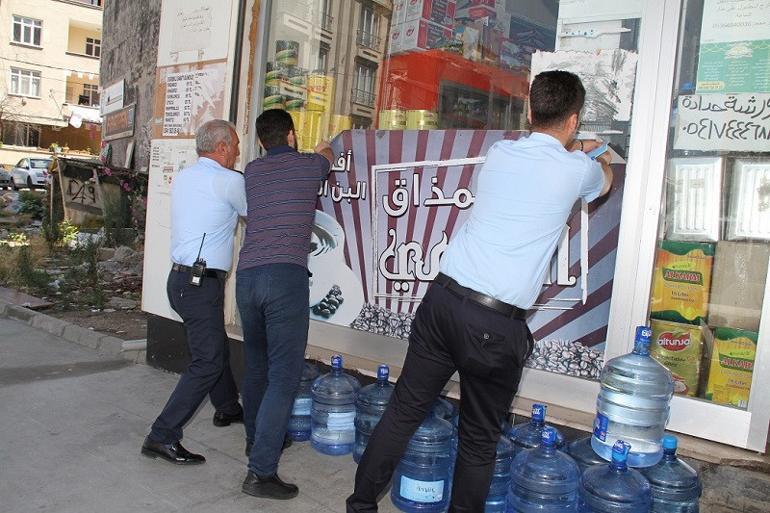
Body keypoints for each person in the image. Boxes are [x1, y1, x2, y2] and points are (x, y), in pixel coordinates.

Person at [346, 70, 613, 513]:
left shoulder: (501, 152)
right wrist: (593, 152)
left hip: (443, 301)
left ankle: (359, 504)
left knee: (405, 409)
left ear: (529, 111)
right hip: (494, 323)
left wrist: (571, 147)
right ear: (574, 120)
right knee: (478, 439)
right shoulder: (576, 169)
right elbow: (603, 183)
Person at [236, 109, 334, 500]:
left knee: (257, 364)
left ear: (261, 141)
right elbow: (328, 153)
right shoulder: (309, 166)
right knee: (284, 376)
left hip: (247, 279)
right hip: (284, 279)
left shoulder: (251, 172)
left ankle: (256, 440)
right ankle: (261, 471)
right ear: (292, 135)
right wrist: (325, 144)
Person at [141, 119, 247, 465]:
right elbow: (256, 213)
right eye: (234, 146)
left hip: (181, 282)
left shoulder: (186, 175)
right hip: (200, 286)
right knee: (208, 361)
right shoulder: (229, 180)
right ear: (221, 148)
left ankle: (227, 408)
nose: (237, 152)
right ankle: (162, 435)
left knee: (213, 346)